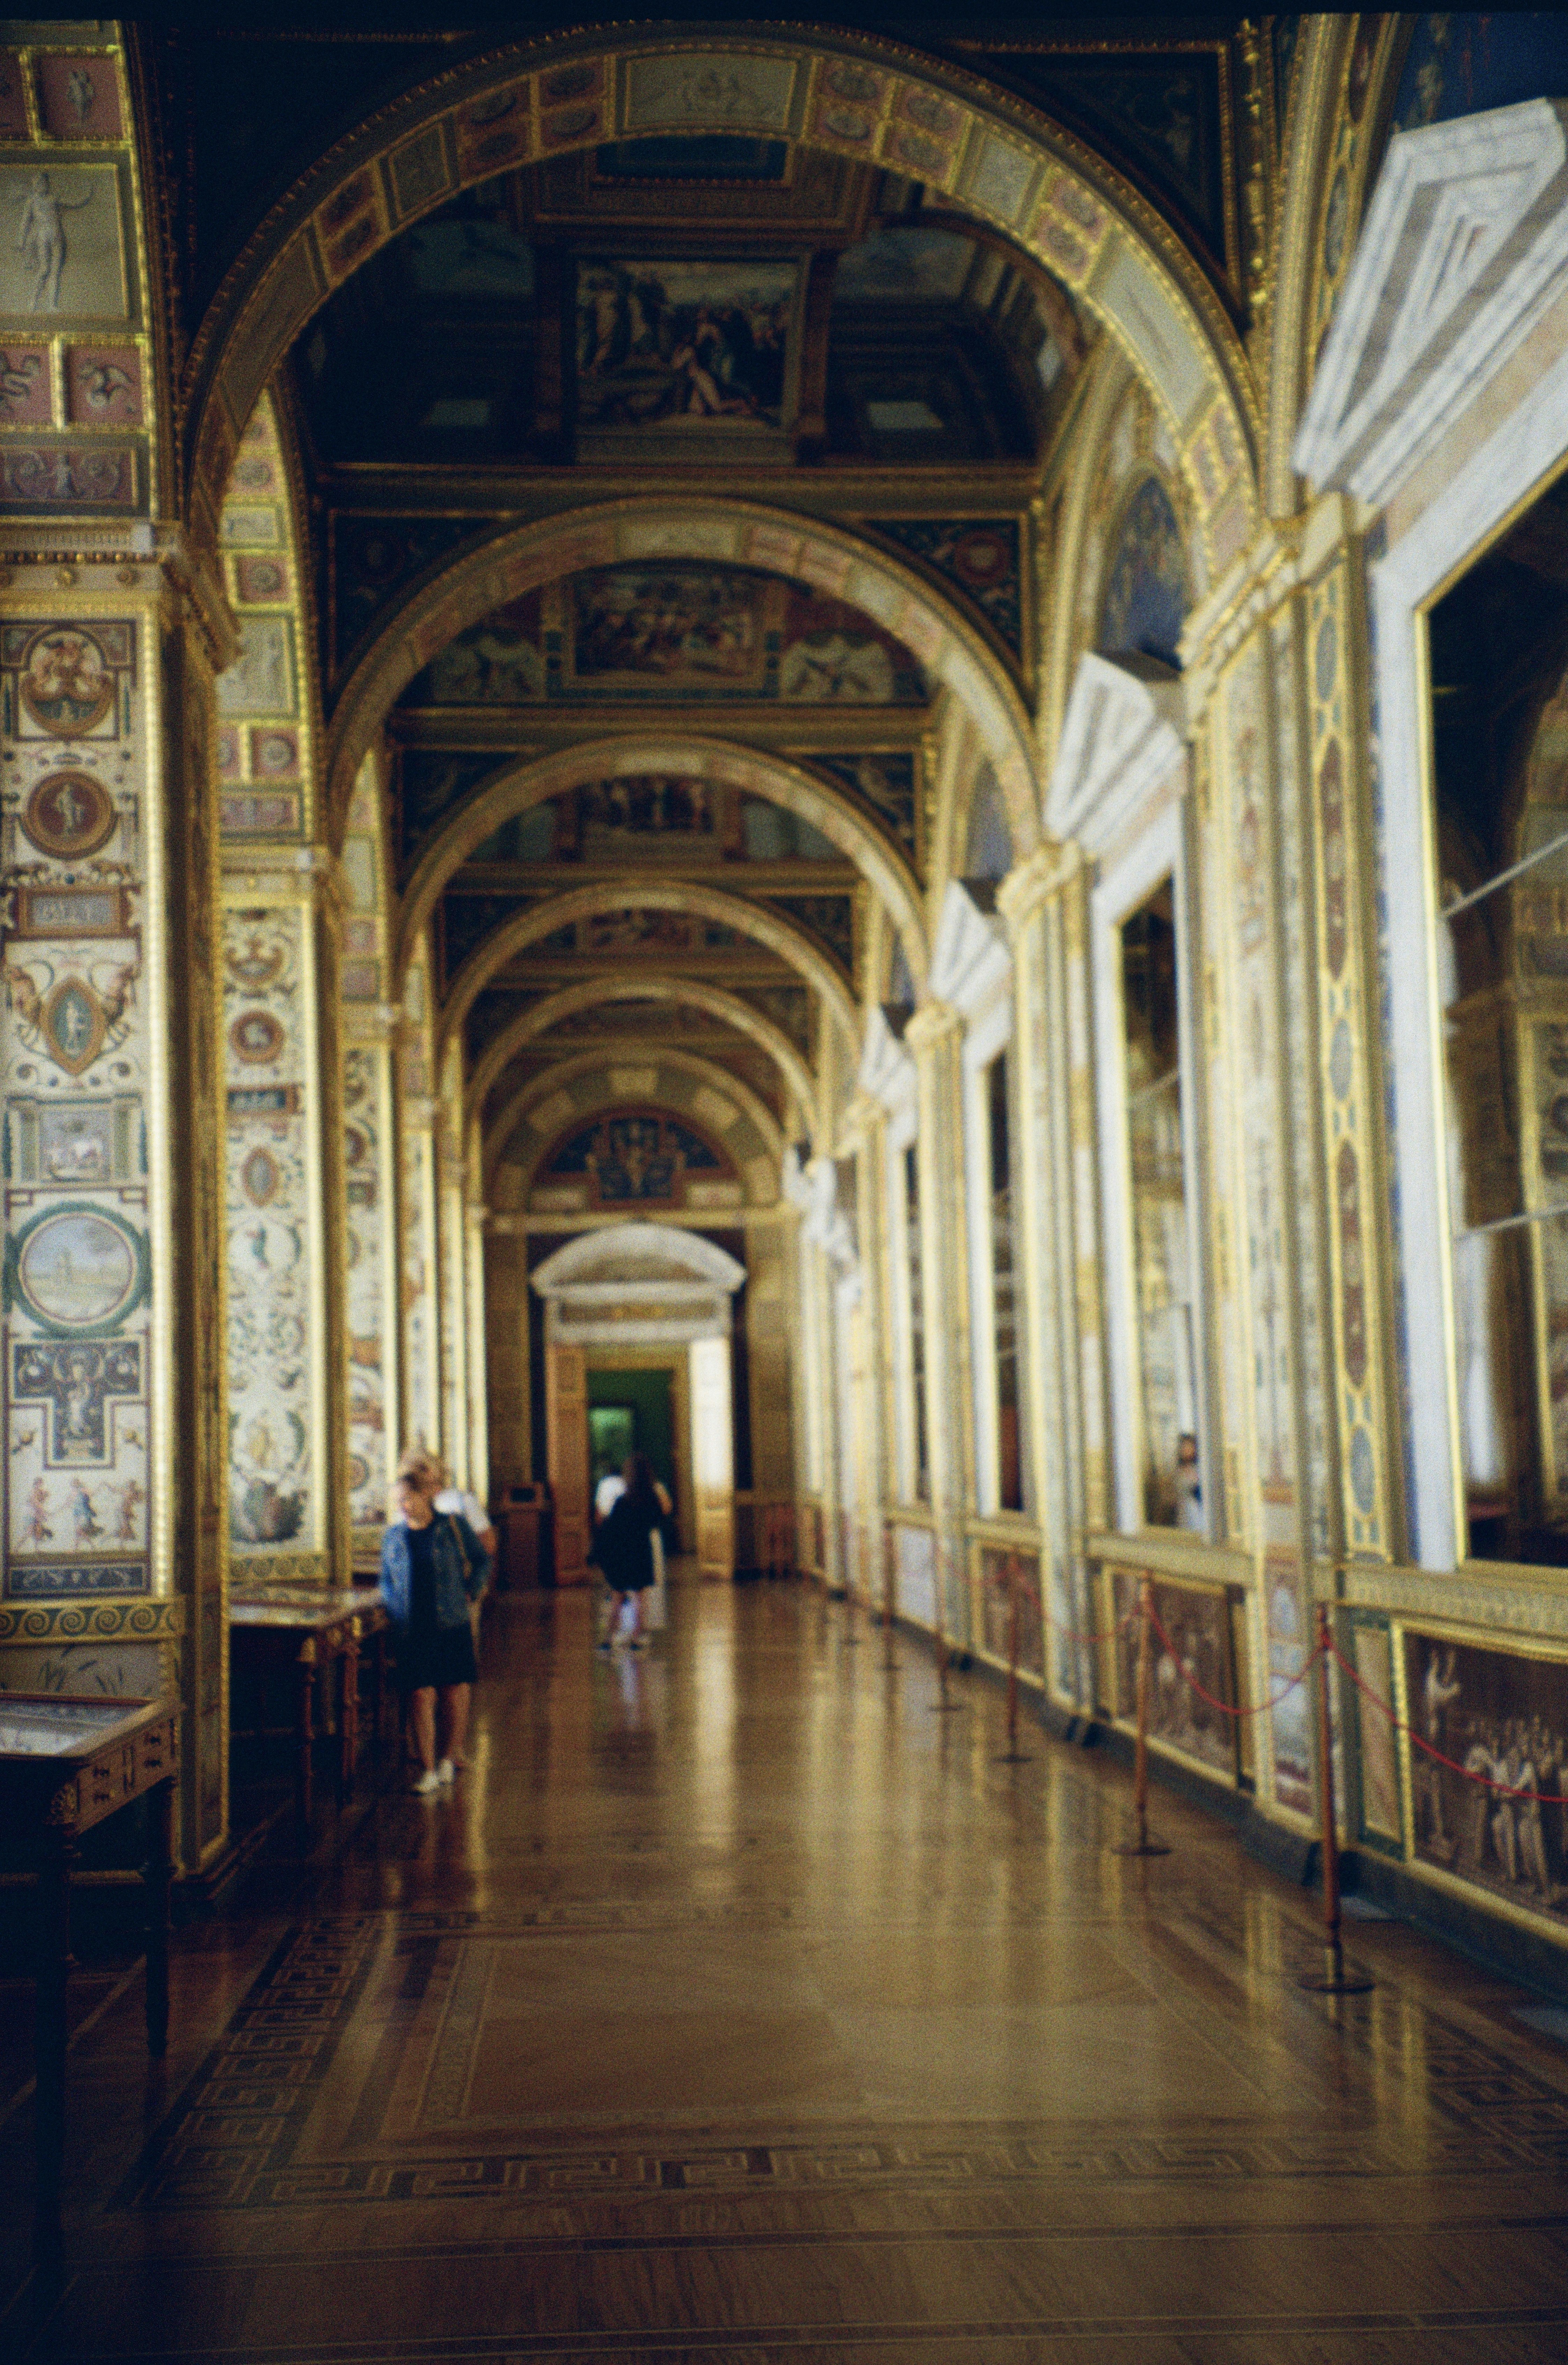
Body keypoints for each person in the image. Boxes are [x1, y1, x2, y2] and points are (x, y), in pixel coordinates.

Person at [380, 1454, 487, 1795]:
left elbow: (482, 1560)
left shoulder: (452, 1527)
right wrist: (395, 1610)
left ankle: (448, 1759)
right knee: (419, 1694)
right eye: (398, 1501)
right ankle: (427, 1769)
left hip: (451, 1621)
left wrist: (472, 1590)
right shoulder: (394, 1537)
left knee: (453, 1691)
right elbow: (386, 1581)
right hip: (414, 1627)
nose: (403, 1507)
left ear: (424, 1495)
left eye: (407, 1499)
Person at [587, 1453, 661, 1653]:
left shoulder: (623, 1501)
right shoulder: (652, 1500)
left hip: (623, 1552)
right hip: (642, 1551)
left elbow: (612, 1527)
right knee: (640, 1598)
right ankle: (638, 1636)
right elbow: (657, 1521)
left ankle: (608, 1638)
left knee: (617, 1597)